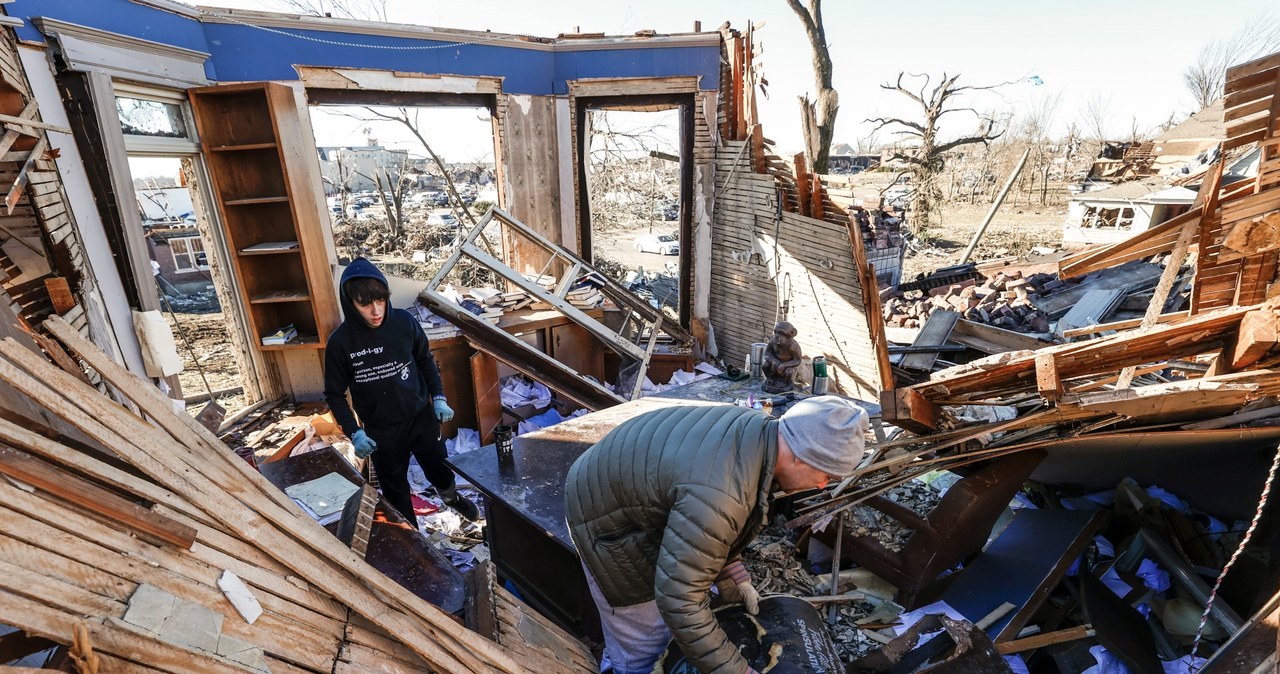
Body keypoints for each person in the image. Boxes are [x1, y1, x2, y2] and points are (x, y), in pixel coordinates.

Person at [565, 396, 868, 674]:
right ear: (802, 455)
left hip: (628, 491)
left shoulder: (757, 435)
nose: (820, 486)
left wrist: (734, 574)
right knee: (644, 645)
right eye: (826, 476)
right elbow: (680, 602)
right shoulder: (719, 492)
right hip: (606, 521)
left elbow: (713, 523)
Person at [323, 257, 479, 524]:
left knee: (439, 469)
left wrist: (439, 397)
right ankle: (413, 539)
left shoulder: (404, 323)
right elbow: (334, 395)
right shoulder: (340, 343)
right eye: (365, 304)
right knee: (395, 489)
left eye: (380, 301)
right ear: (351, 304)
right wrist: (354, 433)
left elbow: (425, 361)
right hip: (381, 430)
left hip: (420, 417)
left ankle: (451, 498)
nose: (376, 311)